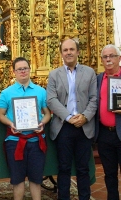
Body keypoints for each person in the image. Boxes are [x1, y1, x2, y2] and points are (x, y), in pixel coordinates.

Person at [47, 38, 97, 200]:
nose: (68, 52)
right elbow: (51, 100)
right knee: (64, 168)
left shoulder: (89, 72)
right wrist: (69, 117)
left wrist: (85, 116)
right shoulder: (54, 75)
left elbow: (94, 99)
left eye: (71, 49)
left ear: (77, 52)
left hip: (84, 125)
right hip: (63, 127)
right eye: (65, 50)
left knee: (83, 168)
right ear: (61, 53)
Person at [0, 57, 51, 200]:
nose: (23, 71)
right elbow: (1, 115)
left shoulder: (41, 91)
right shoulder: (6, 93)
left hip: (36, 140)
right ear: (14, 72)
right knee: (18, 179)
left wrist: (42, 124)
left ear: (29, 69)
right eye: (19, 69)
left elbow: (47, 113)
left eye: (25, 68)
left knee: (36, 178)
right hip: (15, 141)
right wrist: (10, 124)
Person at [95, 44, 121, 200]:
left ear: (119, 58)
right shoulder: (98, 79)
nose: (108, 59)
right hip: (105, 134)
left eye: (112, 56)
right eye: (105, 57)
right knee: (109, 174)